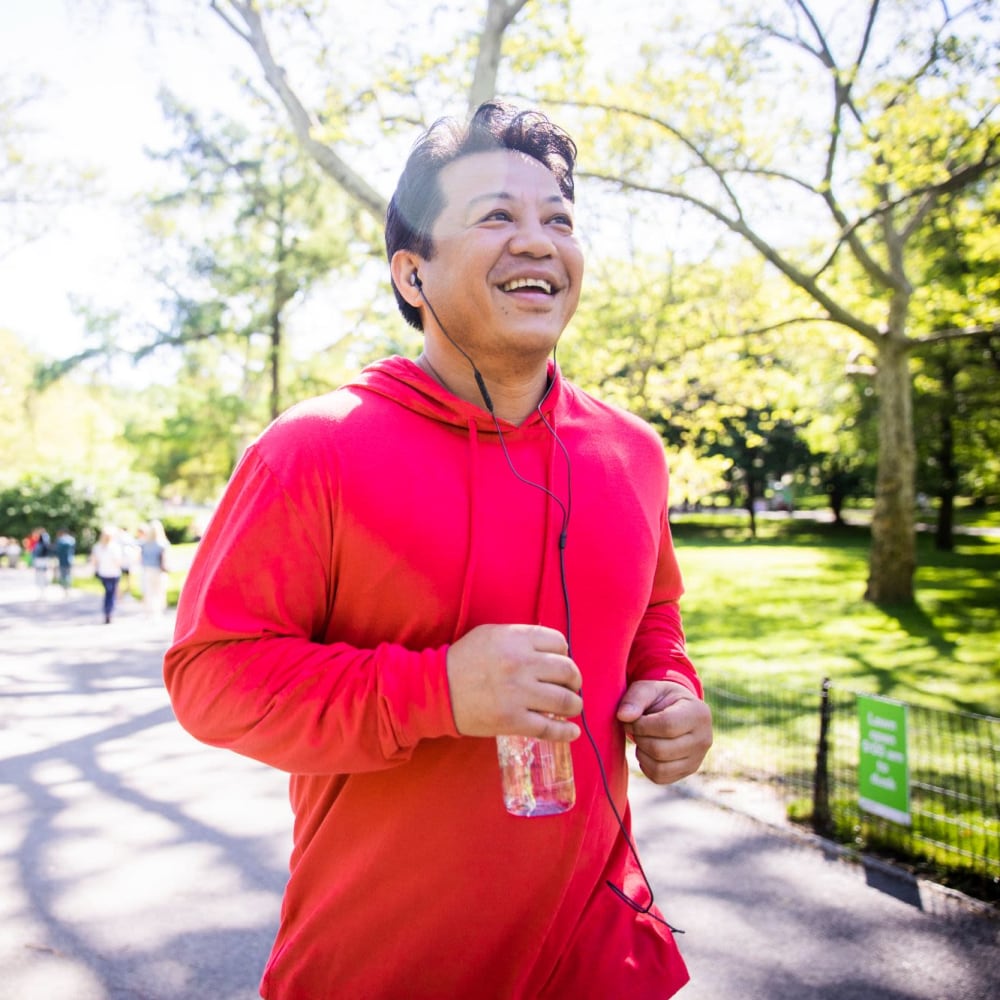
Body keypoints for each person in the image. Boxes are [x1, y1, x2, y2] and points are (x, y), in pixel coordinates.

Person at [164, 101, 713, 1000]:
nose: (538, 240)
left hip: (607, 953)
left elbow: (654, 615)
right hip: (382, 964)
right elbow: (212, 679)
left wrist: (672, 692)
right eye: (496, 215)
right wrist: (437, 691)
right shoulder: (313, 450)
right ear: (411, 275)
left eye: (559, 220)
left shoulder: (634, 453)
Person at [91, 527, 124, 623]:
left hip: (103, 572)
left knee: (108, 592)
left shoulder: (97, 547)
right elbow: (118, 562)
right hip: (113, 573)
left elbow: (94, 561)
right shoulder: (115, 547)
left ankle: (108, 610)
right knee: (111, 593)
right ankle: (109, 611)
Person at [138, 519, 170, 618]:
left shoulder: (144, 544)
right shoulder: (163, 544)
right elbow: (165, 559)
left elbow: (140, 558)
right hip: (158, 570)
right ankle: (157, 611)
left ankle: (149, 611)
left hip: (147, 570)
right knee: (159, 591)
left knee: (149, 590)